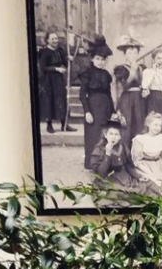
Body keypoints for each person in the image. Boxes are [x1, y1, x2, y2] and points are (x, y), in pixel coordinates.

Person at [78, 35, 114, 170]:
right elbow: (82, 95)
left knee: (104, 134)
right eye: (97, 59)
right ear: (92, 59)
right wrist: (87, 111)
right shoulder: (87, 73)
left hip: (105, 106)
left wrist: (113, 111)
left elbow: (109, 94)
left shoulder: (106, 75)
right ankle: (91, 162)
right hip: (93, 107)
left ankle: (103, 162)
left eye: (103, 59)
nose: (100, 62)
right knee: (93, 135)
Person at [130, 112, 162, 197]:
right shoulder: (140, 139)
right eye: (155, 125)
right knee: (153, 181)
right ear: (148, 124)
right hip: (145, 167)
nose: (157, 128)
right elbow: (137, 161)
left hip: (159, 165)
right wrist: (150, 172)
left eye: (160, 125)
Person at [113, 34, 145, 150]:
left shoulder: (141, 67)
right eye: (130, 53)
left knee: (139, 124)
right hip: (127, 98)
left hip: (139, 98)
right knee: (127, 124)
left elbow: (143, 83)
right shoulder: (121, 68)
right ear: (125, 54)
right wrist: (132, 72)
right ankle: (124, 152)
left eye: (135, 53)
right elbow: (124, 86)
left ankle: (136, 153)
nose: (133, 55)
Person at [38, 31, 73, 133]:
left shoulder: (60, 51)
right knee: (49, 101)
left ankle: (64, 124)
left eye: (56, 38)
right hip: (48, 80)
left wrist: (68, 59)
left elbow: (65, 64)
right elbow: (43, 67)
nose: (55, 41)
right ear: (47, 40)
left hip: (59, 80)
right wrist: (56, 69)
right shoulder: (45, 52)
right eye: (52, 39)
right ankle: (49, 125)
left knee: (61, 100)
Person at [141, 49, 162, 148]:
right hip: (152, 98)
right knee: (153, 122)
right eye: (158, 58)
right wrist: (154, 72)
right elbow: (145, 85)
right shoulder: (147, 72)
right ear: (154, 60)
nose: (161, 61)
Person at [89, 118, 135, 187]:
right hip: (107, 179)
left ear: (120, 137)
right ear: (105, 135)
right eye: (111, 134)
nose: (113, 137)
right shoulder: (99, 150)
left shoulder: (123, 148)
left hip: (122, 178)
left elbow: (128, 167)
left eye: (116, 134)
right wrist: (107, 154)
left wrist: (139, 177)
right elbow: (101, 173)